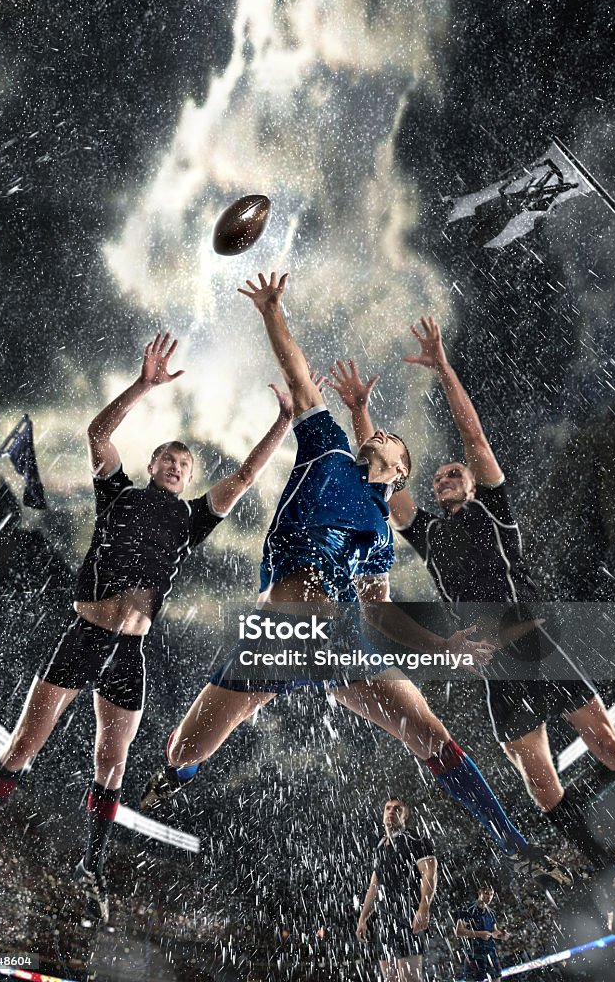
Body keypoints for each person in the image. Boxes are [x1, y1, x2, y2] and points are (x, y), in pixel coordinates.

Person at [141, 272, 568, 887]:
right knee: (187, 750)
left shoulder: (380, 533)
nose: (382, 435)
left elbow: (380, 614)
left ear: (398, 471)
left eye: (392, 442)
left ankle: (511, 840)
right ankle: (170, 777)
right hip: (280, 628)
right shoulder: (330, 449)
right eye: (379, 433)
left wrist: (442, 649)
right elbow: (299, 377)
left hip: (342, 637)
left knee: (427, 730)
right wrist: (271, 311)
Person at [0, 331, 294, 922]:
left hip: (128, 655)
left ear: (188, 480)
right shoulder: (117, 494)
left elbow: (240, 480)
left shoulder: (192, 521)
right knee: (23, 747)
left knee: (111, 765)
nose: (176, 466)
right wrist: (144, 384)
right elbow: (97, 435)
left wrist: (284, 421)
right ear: (153, 464)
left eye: (184, 465)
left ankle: (92, 866)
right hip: (82, 638)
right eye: (168, 458)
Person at [328, 315, 615, 871]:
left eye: (454, 473)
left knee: (610, 747)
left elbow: (473, 436)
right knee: (542, 788)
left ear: (473, 481)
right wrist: (358, 414)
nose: (446, 477)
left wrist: (444, 367)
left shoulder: (493, 505)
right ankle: (606, 866)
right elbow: (383, 477)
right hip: (492, 661)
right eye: (439, 476)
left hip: (536, 640)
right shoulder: (426, 532)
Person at [357, 797, 437, 982]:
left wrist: (423, 909)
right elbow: (374, 886)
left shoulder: (415, 839)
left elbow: (430, 873)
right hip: (385, 920)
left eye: (397, 809)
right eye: (388, 808)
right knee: (390, 979)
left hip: (406, 916)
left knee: (409, 979)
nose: (391, 811)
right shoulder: (380, 846)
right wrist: (362, 918)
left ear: (405, 816)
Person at [455, 884, 509, 982]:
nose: (489, 897)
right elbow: (459, 931)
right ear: (479, 893)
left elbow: (494, 931)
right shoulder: (467, 909)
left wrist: (501, 935)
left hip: (490, 952)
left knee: (497, 978)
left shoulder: (491, 912)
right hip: (474, 953)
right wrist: (479, 934)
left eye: (491, 894)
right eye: (486, 893)